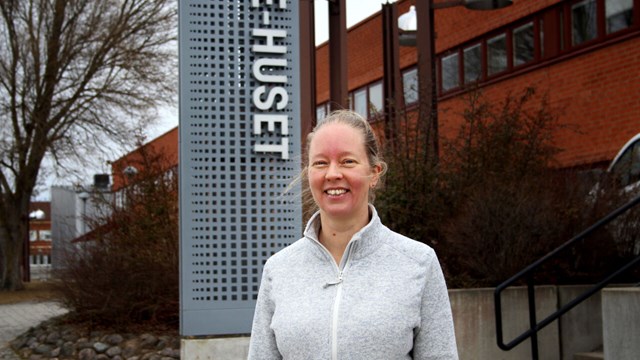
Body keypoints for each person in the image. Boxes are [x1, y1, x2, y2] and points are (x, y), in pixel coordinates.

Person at [248, 110, 458, 359]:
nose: (333, 173)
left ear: (375, 173)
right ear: (309, 174)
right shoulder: (278, 269)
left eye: (347, 161)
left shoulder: (418, 262)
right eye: (321, 163)